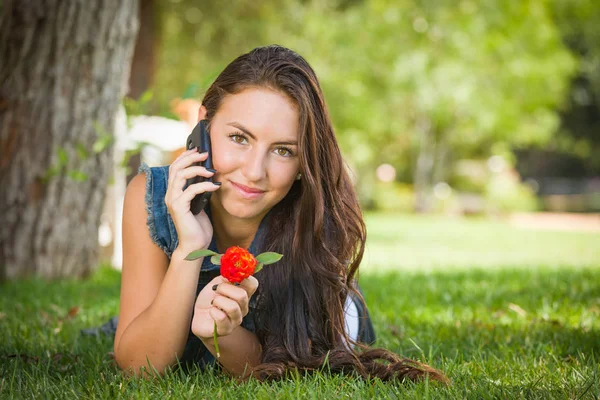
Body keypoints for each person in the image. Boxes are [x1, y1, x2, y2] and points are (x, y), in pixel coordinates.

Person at [114, 44, 447, 383]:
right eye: (239, 138)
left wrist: (222, 334)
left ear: (304, 162)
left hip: (326, 322)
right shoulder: (151, 195)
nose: (255, 171)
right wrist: (189, 249)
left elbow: (296, 365)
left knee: (334, 342)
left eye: (284, 151)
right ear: (203, 126)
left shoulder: (316, 218)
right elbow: (139, 367)